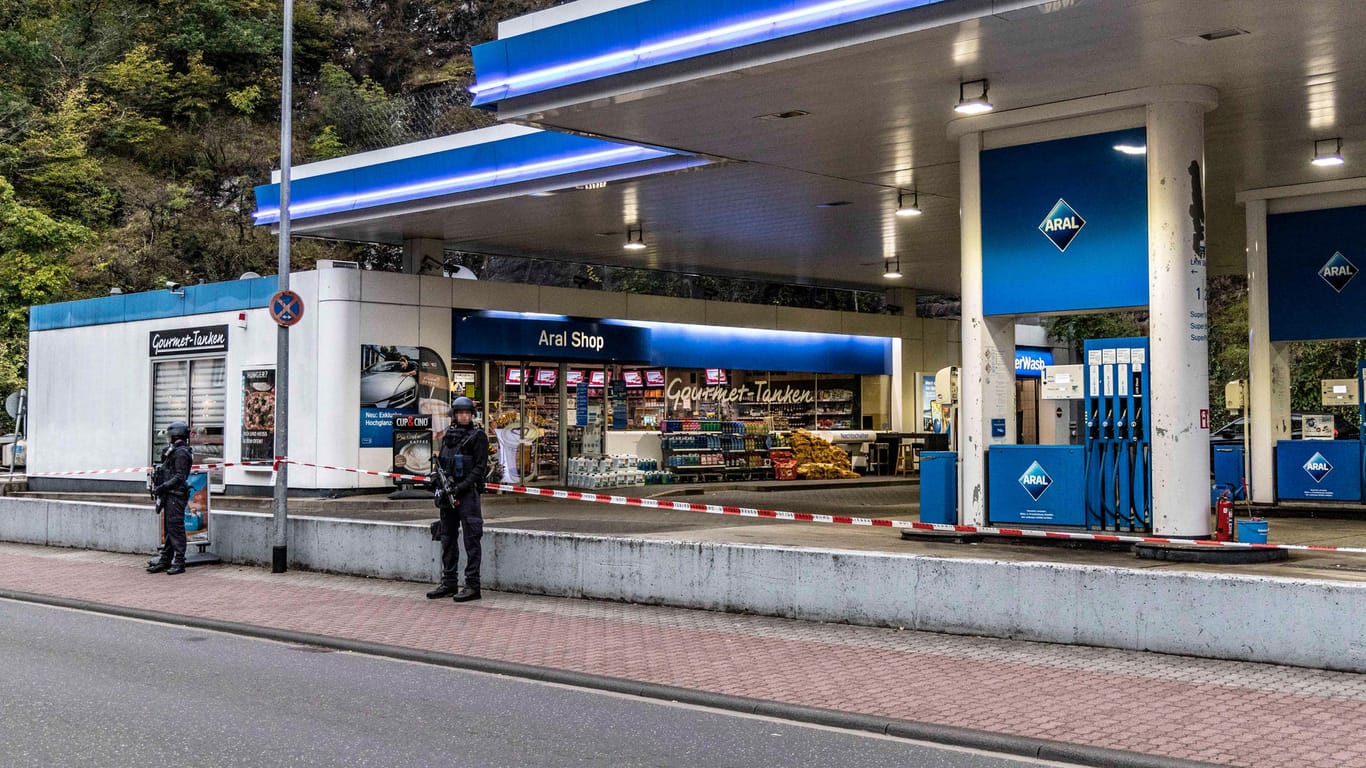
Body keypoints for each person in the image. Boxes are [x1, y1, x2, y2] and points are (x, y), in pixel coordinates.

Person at [427, 396, 489, 602]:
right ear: (454, 415)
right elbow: (441, 464)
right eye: (460, 413)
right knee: (447, 538)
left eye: (467, 413)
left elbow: (480, 468)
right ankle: (449, 582)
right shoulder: (448, 436)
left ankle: (472, 585)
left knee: (471, 539)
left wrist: (460, 486)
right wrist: (437, 482)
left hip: (467, 495)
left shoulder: (477, 436)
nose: (463, 416)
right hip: (448, 495)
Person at [147, 421, 193, 575]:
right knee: (169, 529)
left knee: (176, 528)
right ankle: (165, 559)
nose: (169, 438)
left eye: (170, 436)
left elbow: (180, 476)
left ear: (176, 435)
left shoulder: (182, 453)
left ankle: (179, 562)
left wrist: (164, 486)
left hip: (176, 495)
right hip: (169, 495)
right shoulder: (173, 451)